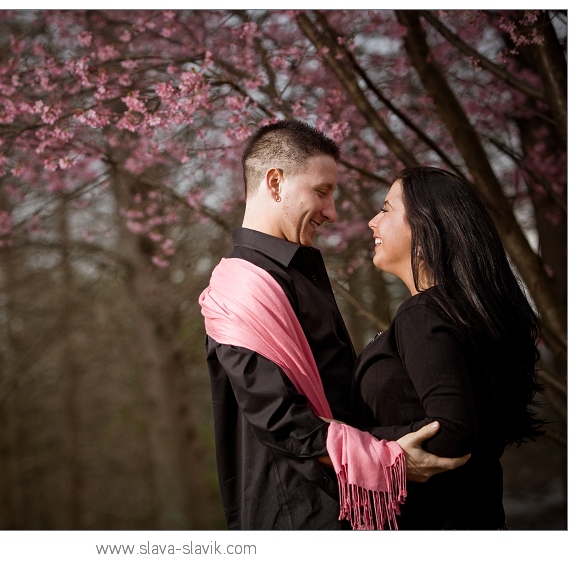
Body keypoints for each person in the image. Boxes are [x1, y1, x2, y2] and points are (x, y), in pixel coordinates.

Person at [200, 120, 468, 530]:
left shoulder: (294, 273)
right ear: (275, 183)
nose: (332, 211)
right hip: (299, 518)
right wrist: (389, 459)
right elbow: (281, 420)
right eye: (322, 192)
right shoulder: (239, 290)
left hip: (345, 509)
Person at [354, 166, 544, 529]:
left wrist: (351, 439)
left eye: (387, 209)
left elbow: (453, 429)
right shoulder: (462, 311)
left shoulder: (423, 313)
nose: (371, 221)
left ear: (425, 233)